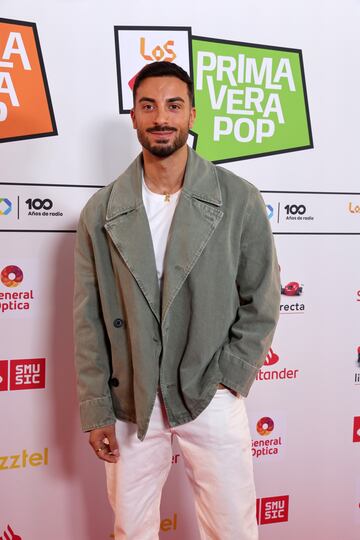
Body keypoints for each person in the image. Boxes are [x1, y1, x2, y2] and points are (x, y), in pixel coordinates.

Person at [73, 61, 280, 540]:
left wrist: (229, 378)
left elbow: (262, 299)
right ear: (134, 116)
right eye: (148, 105)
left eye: (173, 105)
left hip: (210, 390)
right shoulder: (101, 211)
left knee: (232, 529)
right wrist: (96, 406)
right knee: (132, 529)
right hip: (131, 397)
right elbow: (88, 319)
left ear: (192, 115)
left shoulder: (239, 199)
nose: (160, 117)